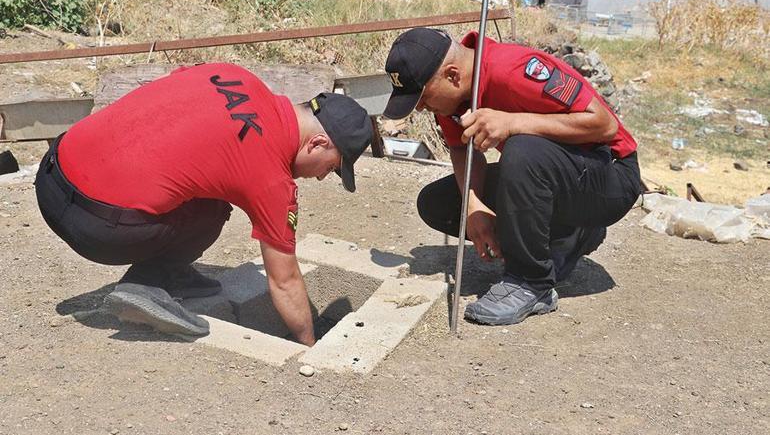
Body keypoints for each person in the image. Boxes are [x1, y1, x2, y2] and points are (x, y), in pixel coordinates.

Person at [35, 63, 372, 344]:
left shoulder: (234, 74)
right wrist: (309, 344)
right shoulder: (271, 177)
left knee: (205, 173)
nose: (321, 177)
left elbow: (172, 97)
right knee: (214, 208)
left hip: (51, 173)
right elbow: (284, 281)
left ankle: (173, 273)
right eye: (330, 168)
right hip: (95, 229)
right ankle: (148, 283)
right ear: (317, 143)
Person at [383, 28, 640, 326]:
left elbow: (604, 125)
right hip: (559, 175)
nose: (422, 107)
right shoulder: (452, 96)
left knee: (521, 149)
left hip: (610, 176)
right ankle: (569, 234)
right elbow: (460, 148)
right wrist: (474, 206)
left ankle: (532, 282)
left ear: (452, 75)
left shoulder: (515, 70)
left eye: (423, 98)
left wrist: (512, 122)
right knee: (438, 203)